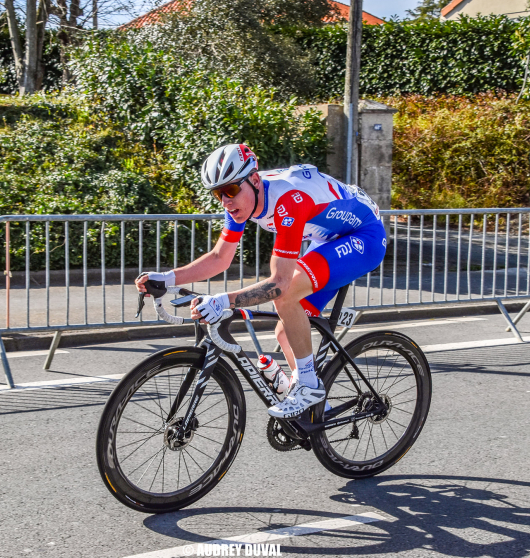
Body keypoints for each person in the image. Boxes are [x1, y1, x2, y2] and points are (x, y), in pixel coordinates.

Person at [135, 143, 388, 419]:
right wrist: (167, 278)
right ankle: (319, 408)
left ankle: (308, 385)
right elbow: (220, 257)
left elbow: (279, 283)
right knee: (285, 331)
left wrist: (222, 301)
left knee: (285, 295)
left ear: (254, 180)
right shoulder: (242, 200)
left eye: (230, 190)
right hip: (327, 237)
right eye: (218, 194)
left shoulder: (288, 201)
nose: (226, 201)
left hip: (364, 235)